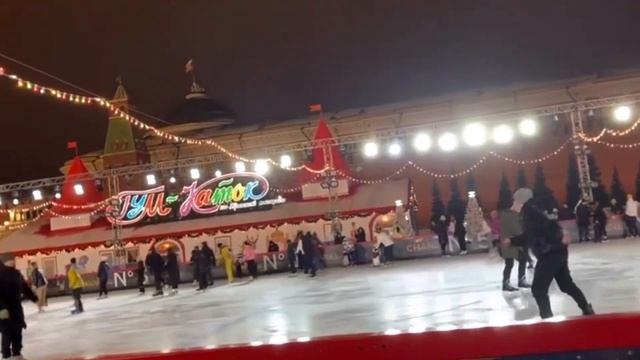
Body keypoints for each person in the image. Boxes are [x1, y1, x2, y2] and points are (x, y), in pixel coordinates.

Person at [511, 188, 594, 319]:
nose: (513, 204)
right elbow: (543, 230)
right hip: (558, 252)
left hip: (549, 254)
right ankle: (586, 308)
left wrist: (511, 241)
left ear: (522, 201)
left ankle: (547, 318)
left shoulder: (529, 213)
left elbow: (533, 234)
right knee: (566, 285)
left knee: (538, 289)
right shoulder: (535, 210)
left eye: (515, 200)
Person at [0, 253, 38, 360]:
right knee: (7, 332)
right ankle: (6, 355)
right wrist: (1, 307)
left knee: (17, 331)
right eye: (9, 260)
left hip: (16, 307)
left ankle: (17, 352)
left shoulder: (17, 274)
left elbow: (25, 287)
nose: (12, 262)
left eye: (13, 260)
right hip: (4, 309)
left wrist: (33, 298)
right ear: (4, 261)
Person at [499, 206, 530, 292]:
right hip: (509, 243)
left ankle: (519, 280)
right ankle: (507, 283)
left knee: (522, 260)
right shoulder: (510, 218)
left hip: (514, 242)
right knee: (510, 263)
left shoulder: (516, 217)